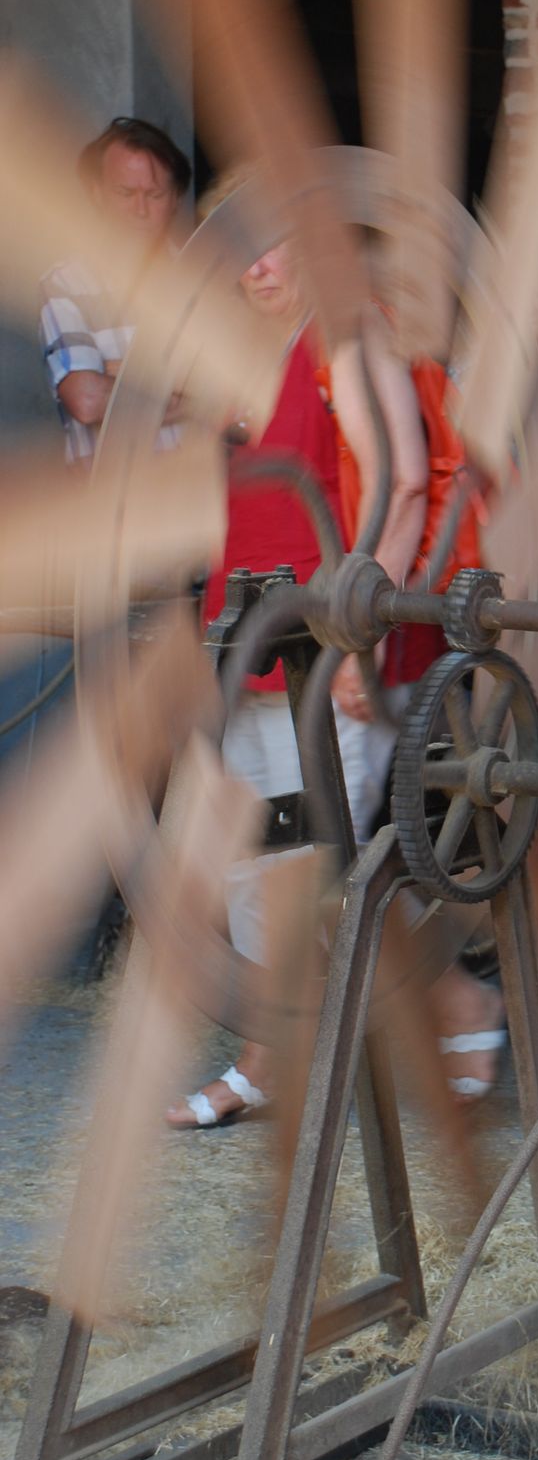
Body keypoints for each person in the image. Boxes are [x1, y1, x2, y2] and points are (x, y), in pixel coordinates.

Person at [168, 197, 499, 1126]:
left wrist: (363, 636)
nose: (257, 266)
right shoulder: (247, 358)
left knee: (305, 862)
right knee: (279, 856)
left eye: (275, 243)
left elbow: (397, 482)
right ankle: (458, 1003)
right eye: (245, 252)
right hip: (250, 643)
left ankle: (268, 1056)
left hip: (329, 648)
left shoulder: (346, 344)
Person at [39, 117, 192, 462]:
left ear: (176, 199)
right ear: (96, 193)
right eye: (125, 193)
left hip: (201, 501)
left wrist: (120, 373)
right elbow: (88, 402)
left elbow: (237, 394)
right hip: (108, 511)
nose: (140, 210)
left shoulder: (205, 279)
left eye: (155, 194)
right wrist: (188, 390)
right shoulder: (66, 284)